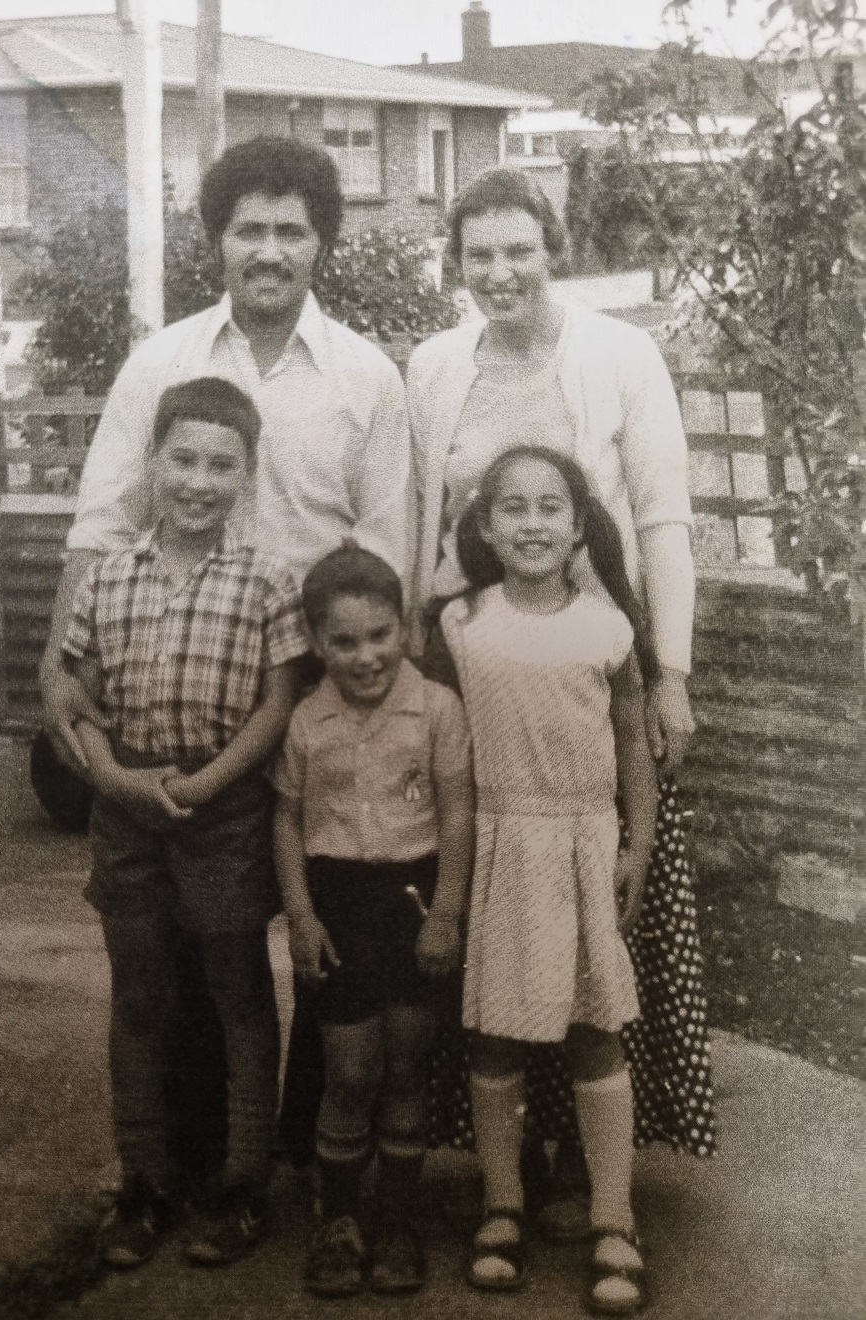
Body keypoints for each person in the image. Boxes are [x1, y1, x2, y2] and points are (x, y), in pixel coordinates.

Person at [38, 137, 412, 1182]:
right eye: (250, 228)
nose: (270, 249)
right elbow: (104, 516)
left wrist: (372, 684)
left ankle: (302, 1165)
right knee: (176, 948)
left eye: (292, 230)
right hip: (186, 687)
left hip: (326, 682)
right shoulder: (160, 363)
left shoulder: (364, 377)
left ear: (322, 244)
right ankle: (182, 1164)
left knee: (321, 927)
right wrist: (58, 668)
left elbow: (387, 542)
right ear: (218, 239)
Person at [408, 170, 715, 1206]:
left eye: (519, 250)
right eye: (479, 254)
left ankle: (593, 1145)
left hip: (597, 660)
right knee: (496, 888)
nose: (499, 272)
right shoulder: (435, 364)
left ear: (555, 249)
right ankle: (512, 1158)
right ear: (458, 264)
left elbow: (665, 515)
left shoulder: (621, 355)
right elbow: (425, 523)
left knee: (598, 899)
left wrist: (668, 670)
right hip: (477, 661)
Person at [60, 377, 310, 1267]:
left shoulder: (268, 582)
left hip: (225, 816)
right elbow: (77, 696)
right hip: (127, 816)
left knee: (239, 995)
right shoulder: (109, 578)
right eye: (183, 460)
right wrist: (113, 778)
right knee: (139, 998)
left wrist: (205, 786)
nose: (199, 482)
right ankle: (144, 1183)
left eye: (222, 464)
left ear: (247, 474)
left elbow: (278, 705)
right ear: (154, 463)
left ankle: (243, 1183)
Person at [442, 446, 657, 1311]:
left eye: (550, 508)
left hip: (582, 843)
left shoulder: (608, 628)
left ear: (577, 524)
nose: (533, 525)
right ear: (485, 526)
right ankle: (503, 1205)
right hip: (500, 844)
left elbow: (633, 739)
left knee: (592, 1029)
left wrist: (635, 845)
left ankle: (614, 1216)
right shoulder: (460, 624)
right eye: (514, 509)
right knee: (496, 1034)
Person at [272, 545, 474, 1298]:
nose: (366, 656)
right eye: (344, 642)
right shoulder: (305, 721)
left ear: (404, 632)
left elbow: (458, 814)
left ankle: (398, 1217)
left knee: (405, 1065)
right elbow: (287, 822)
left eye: (380, 635)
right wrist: (299, 913)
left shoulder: (437, 710)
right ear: (317, 644)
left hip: (415, 902)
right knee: (350, 1069)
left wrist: (447, 911)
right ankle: (340, 1217)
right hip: (336, 906)